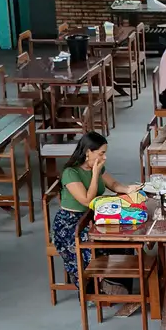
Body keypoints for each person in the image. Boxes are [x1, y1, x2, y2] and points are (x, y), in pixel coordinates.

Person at [52, 132, 142, 316]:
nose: (104, 157)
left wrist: (128, 189)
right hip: (70, 224)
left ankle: (117, 283)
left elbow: (113, 184)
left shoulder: (99, 167)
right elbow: (86, 200)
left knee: (124, 236)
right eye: (101, 153)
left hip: (93, 217)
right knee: (97, 242)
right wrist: (94, 174)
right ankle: (98, 285)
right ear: (88, 152)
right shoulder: (70, 173)